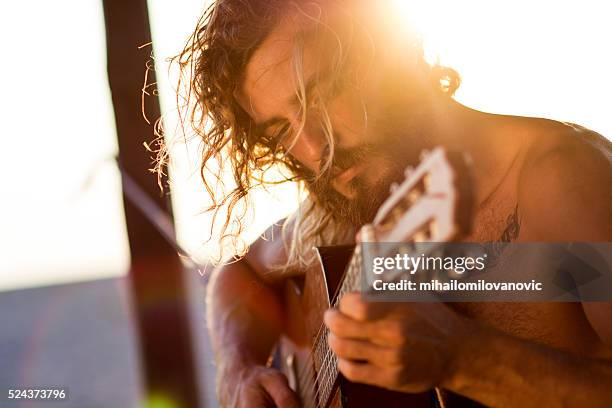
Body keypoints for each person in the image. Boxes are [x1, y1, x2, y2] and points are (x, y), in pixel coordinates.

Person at [168, 0, 612, 406]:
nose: (315, 148)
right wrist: (238, 368)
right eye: (281, 129)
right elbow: (239, 272)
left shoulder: (562, 182)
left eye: (321, 95)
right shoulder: (355, 204)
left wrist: (465, 360)